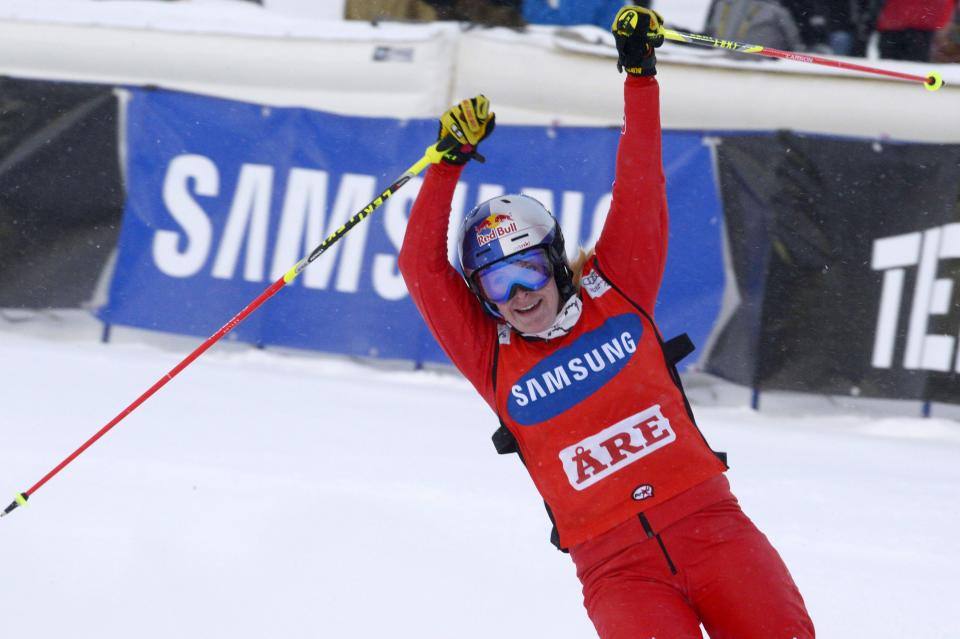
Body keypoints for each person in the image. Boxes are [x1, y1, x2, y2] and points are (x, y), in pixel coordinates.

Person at [398, 6, 815, 638]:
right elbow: (422, 269)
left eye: (529, 270)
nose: (517, 296)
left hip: (715, 533)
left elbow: (641, 182)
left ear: (557, 262)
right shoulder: (491, 353)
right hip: (618, 570)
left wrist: (640, 77)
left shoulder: (616, 289)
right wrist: (447, 163)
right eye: (495, 284)